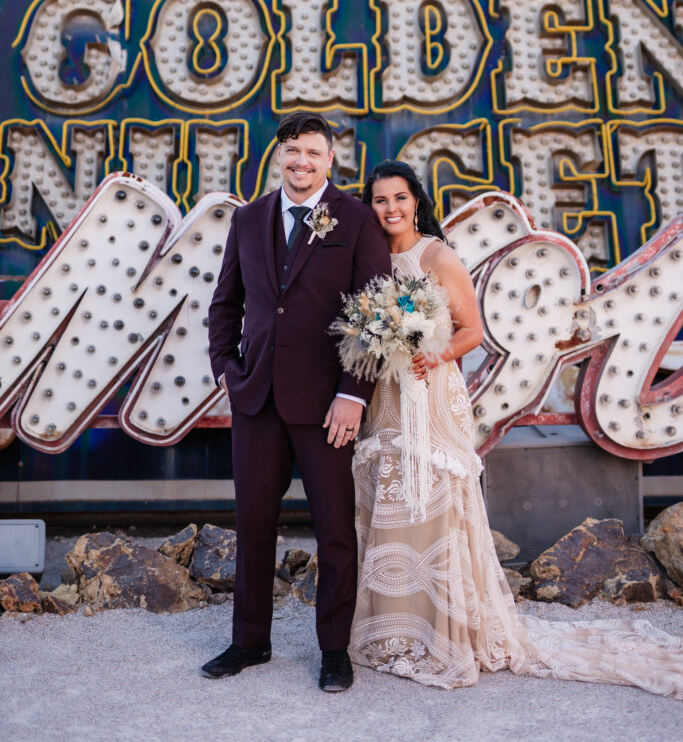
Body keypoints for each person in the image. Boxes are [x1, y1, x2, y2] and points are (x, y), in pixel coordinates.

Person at [349, 159, 683, 699]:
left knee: (433, 503)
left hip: (432, 393)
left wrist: (429, 357)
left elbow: (471, 331)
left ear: (417, 201)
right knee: (391, 499)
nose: (390, 209)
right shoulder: (369, 258)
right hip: (386, 396)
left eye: (400, 198)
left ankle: (445, 632)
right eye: (380, 200)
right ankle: (392, 629)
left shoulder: (438, 255)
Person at [204, 113, 391, 690]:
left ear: (329, 159)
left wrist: (352, 394)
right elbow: (225, 305)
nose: (300, 161)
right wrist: (229, 372)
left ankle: (334, 651)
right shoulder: (249, 218)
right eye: (291, 151)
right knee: (253, 525)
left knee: (335, 530)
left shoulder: (356, 219)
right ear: (277, 155)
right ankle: (248, 642)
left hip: (327, 404)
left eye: (312, 152)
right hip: (255, 400)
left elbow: (377, 315)